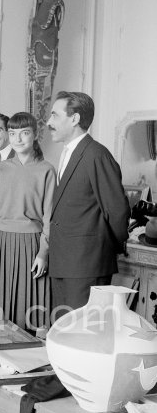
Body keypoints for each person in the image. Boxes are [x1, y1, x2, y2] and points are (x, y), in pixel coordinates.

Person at [46, 91, 130, 315]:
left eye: (54, 115)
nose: (48, 122)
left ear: (74, 119)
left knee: (82, 334)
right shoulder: (68, 153)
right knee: (65, 331)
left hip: (86, 263)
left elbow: (117, 211)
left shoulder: (96, 155)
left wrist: (102, 248)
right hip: (65, 261)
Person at [0, 112, 55, 331]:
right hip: (1, 243)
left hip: (31, 244)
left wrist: (43, 252)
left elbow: (49, 216)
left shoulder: (47, 170)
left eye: (24, 133)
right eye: (13, 134)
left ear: (35, 135)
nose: (18, 139)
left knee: (29, 310)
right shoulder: (3, 168)